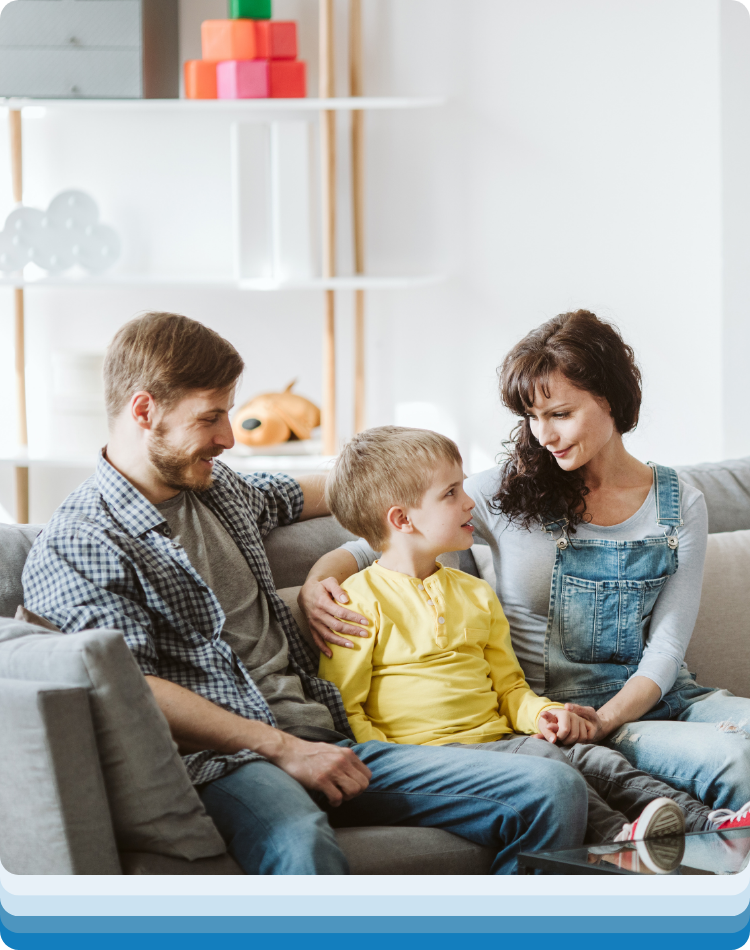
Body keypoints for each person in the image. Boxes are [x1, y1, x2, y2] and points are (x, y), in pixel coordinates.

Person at [22, 310, 591, 876]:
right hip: (232, 764)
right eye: (211, 417)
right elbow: (129, 689)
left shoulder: (221, 493)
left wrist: (332, 566)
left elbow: (340, 491)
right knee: (299, 842)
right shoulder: (83, 540)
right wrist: (282, 749)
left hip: (337, 738)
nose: (227, 437)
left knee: (554, 788)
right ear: (145, 411)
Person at [299, 310, 750, 821]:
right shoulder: (504, 491)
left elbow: (667, 647)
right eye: (532, 418)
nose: (544, 436)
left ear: (610, 398)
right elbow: (385, 533)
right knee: (738, 761)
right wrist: (319, 581)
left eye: (559, 414)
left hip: (660, 697)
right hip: (562, 714)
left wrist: (605, 720)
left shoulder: (680, 502)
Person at [317, 424, 721, 848]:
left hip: (501, 742)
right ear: (402, 519)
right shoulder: (355, 605)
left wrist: (542, 716)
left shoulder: (474, 592)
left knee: (596, 758)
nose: (470, 500)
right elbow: (346, 708)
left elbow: (510, 688)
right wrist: (397, 763)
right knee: (547, 760)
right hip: (428, 759)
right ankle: (619, 840)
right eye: (451, 493)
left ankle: (708, 825)